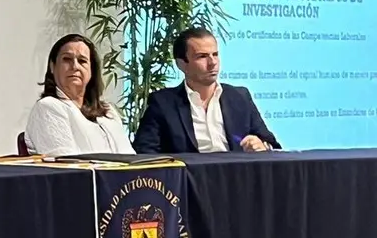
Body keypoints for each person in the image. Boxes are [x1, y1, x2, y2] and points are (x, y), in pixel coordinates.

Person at [133, 27, 280, 153]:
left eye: (215, 54)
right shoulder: (163, 103)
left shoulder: (239, 97)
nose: (212, 63)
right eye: (202, 56)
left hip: (236, 179)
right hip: (189, 182)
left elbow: (271, 144)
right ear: (182, 64)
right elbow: (145, 152)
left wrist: (262, 145)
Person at [23, 34, 135, 156]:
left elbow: (130, 157)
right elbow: (66, 164)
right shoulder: (47, 107)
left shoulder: (108, 112)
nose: (75, 66)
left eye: (82, 61)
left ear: (91, 70)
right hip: (87, 175)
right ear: (52, 66)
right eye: (67, 59)